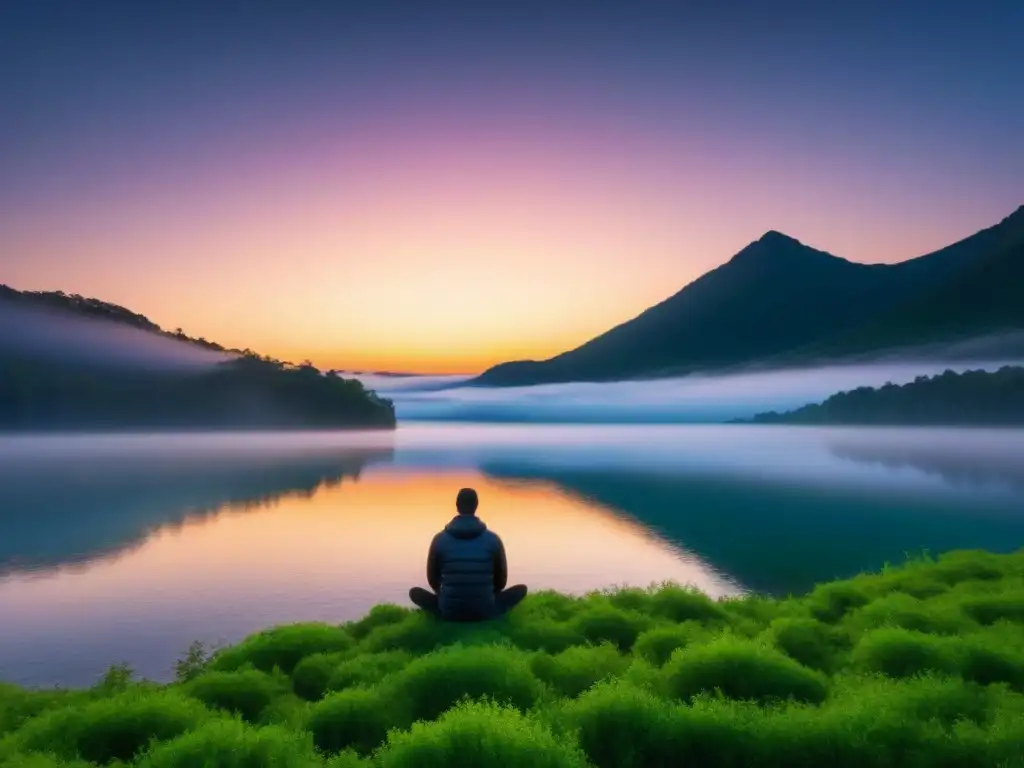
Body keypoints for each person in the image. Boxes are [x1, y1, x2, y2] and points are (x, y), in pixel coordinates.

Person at [409, 487, 528, 621]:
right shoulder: (493, 540)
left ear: (457, 506)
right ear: (476, 506)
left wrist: (444, 595)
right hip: (485, 611)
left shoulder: (439, 540)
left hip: (450, 611)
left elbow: (432, 579)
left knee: (415, 593)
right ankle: (484, 608)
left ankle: (447, 610)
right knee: (521, 589)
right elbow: (501, 582)